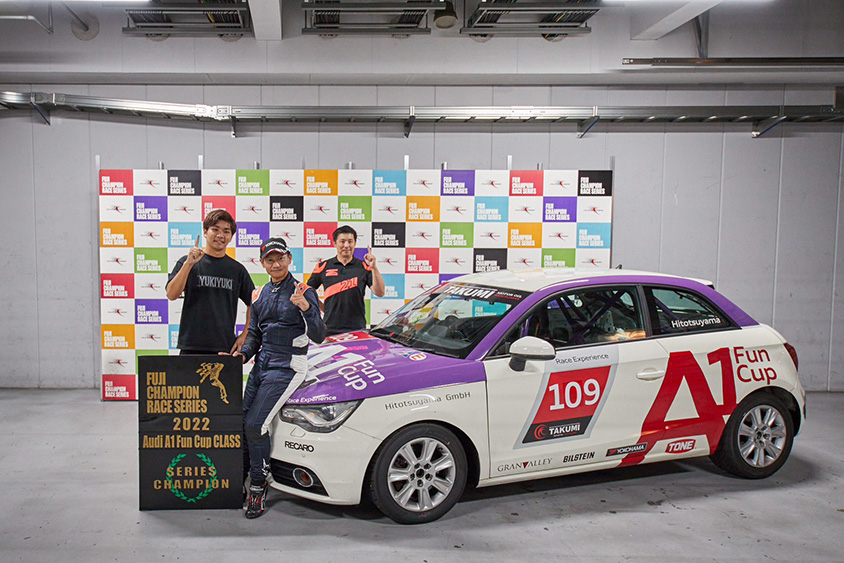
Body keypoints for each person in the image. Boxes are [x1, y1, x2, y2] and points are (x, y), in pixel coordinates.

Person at [231, 237, 325, 519]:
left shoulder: (304, 291)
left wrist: (306, 309)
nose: (275, 264)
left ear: (289, 259)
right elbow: (255, 334)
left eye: (280, 258)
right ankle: (241, 477)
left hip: (289, 364)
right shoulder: (258, 294)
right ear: (263, 263)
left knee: (255, 423)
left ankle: (259, 485)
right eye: (269, 260)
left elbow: (319, 335)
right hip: (263, 362)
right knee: (243, 420)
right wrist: (243, 356)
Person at [166, 209, 254, 354]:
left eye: (226, 231)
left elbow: (254, 303)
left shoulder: (237, 270)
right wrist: (189, 264)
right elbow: (171, 294)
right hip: (191, 346)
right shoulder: (187, 262)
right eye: (215, 229)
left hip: (224, 347)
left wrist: (245, 334)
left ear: (231, 237)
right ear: (205, 232)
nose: (220, 235)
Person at [307, 225, 386, 336]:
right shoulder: (323, 266)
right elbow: (308, 292)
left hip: (357, 328)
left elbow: (380, 292)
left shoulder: (364, 266)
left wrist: (374, 267)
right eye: (342, 241)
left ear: (355, 243)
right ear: (335, 243)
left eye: (350, 241)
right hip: (330, 328)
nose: (346, 245)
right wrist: (323, 307)